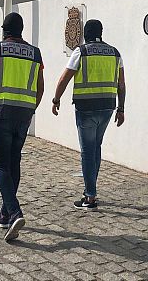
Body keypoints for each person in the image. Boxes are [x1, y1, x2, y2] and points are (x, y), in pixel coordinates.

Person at [0, 12, 43, 241]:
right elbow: (40, 88)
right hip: (23, 115)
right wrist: (31, 108)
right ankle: (4, 213)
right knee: (14, 163)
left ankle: (14, 212)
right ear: (21, 30)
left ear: (5, 30)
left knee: (1, 166)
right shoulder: (35, 53)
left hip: (0, 114)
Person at [51, 19, 125, 210]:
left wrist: (56, 99)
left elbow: (64, 78)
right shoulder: (115, 53)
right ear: (101, 32)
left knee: (87, 151)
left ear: (85, 33)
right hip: (108, 108)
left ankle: (90, 196)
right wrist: (121, 109)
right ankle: (90, 190)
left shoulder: (81, 51)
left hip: (86, 109)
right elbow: (121, 84)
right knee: (96, 148)